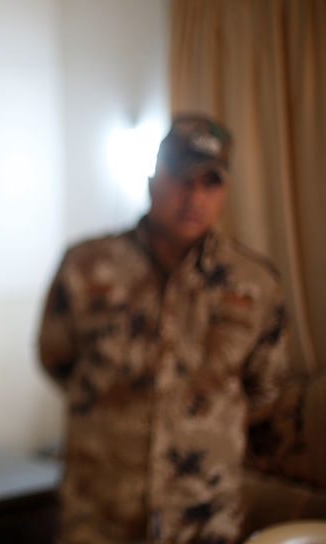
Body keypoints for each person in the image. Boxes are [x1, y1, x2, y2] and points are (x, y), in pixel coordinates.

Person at [38, 114, 288, 544]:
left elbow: (264, 389)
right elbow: (56, 358)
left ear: (224, 191)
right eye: (180, 177)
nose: (194, 195)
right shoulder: (87, 266)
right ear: (154, 180)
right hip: (100, 511)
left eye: (210, 182)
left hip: (202, 517)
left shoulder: (254, 283)